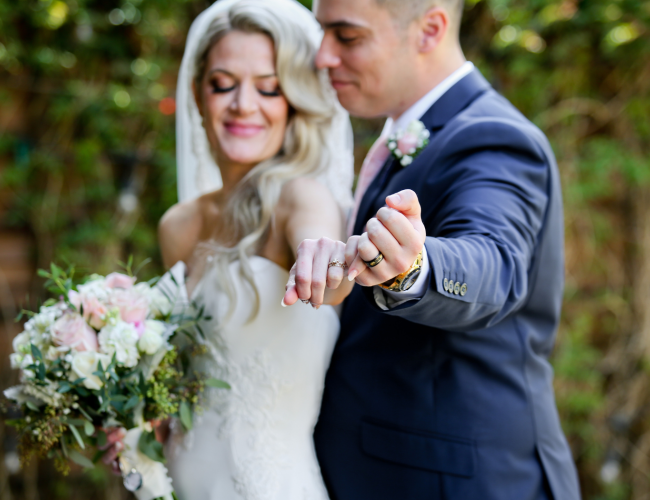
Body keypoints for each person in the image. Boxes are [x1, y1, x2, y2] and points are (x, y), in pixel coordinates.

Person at [283, 0, 582, 499]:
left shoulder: (495, 139)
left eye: (347, 36)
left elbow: (495, 262)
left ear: (429, 30)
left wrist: (414, 268)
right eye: (322, 33)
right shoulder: (406, 132)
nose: (323, 57)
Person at [156, 0, 354, 498]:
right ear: (198, 95)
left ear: (293, 100)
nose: (244, 104)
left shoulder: (300, 198)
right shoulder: (179, 226)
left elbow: (327, 267)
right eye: (223, 84)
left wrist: (330, 265)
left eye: (268, 87)